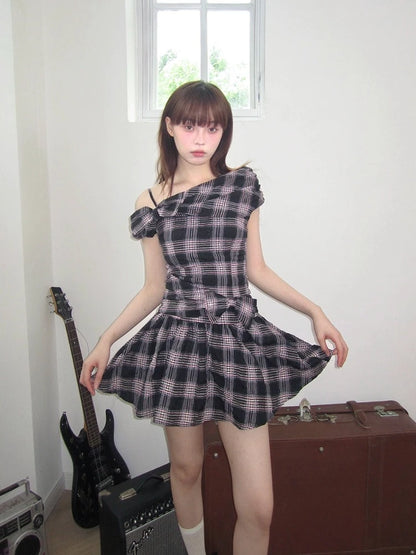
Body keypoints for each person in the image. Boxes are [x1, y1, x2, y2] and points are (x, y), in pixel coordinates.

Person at [80, 81, 348, 555]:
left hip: (235, 341)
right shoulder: (151, 201)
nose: (201, 138)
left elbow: (256, 269)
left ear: (224, 131)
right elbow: (154, 288)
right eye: (189, 126)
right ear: (169, 127)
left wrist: (315, 311)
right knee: (186, 470)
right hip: (179, 343)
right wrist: (106, 339)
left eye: (212, 128)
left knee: (259, 507)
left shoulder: (241, 186)